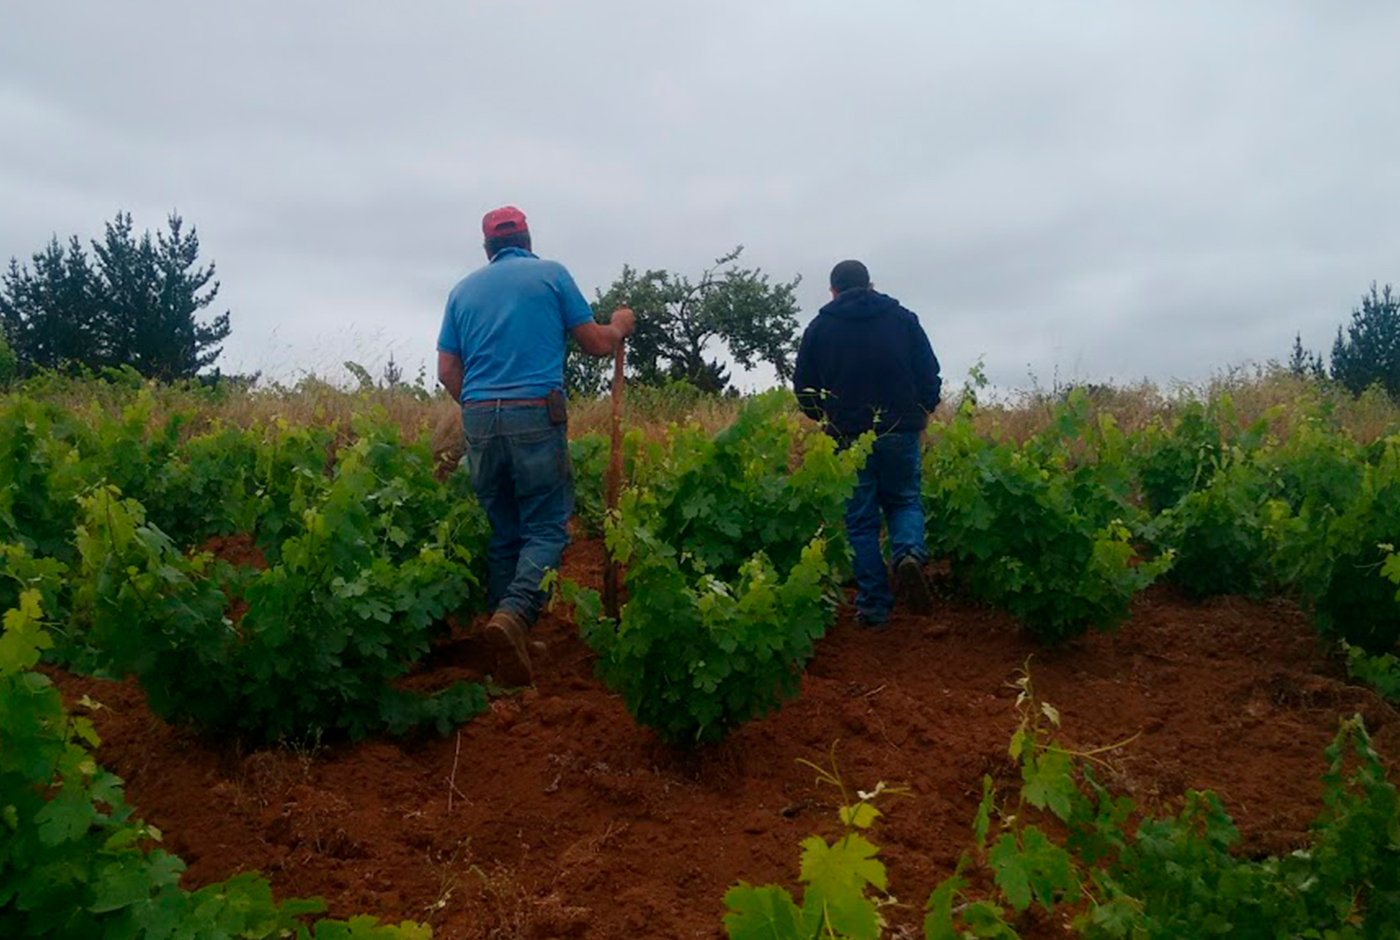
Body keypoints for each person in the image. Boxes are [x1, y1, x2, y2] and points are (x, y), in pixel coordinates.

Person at [437, 205, 634, 684]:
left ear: (488, 248)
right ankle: (515, 615)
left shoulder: (462, 291)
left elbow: (446, 371)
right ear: (527, 240)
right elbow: (595, 343)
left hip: (479, 415)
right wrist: (620, 326)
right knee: (546, 528)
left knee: (504, 530)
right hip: (535, 411)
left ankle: (509, 642)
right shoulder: (552, 275)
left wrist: (482, 408)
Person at [793, 259, 941, 628]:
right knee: (904, 501)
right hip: (900, 429)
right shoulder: (903, 319)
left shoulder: (819, 328)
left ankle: (875, 608)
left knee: (860, 523)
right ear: (870, 284)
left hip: (847, 435)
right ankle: (908, 554)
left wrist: (822, 416)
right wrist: (922, 409)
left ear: (833, 291)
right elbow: (929, 372)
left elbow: (804, 388)